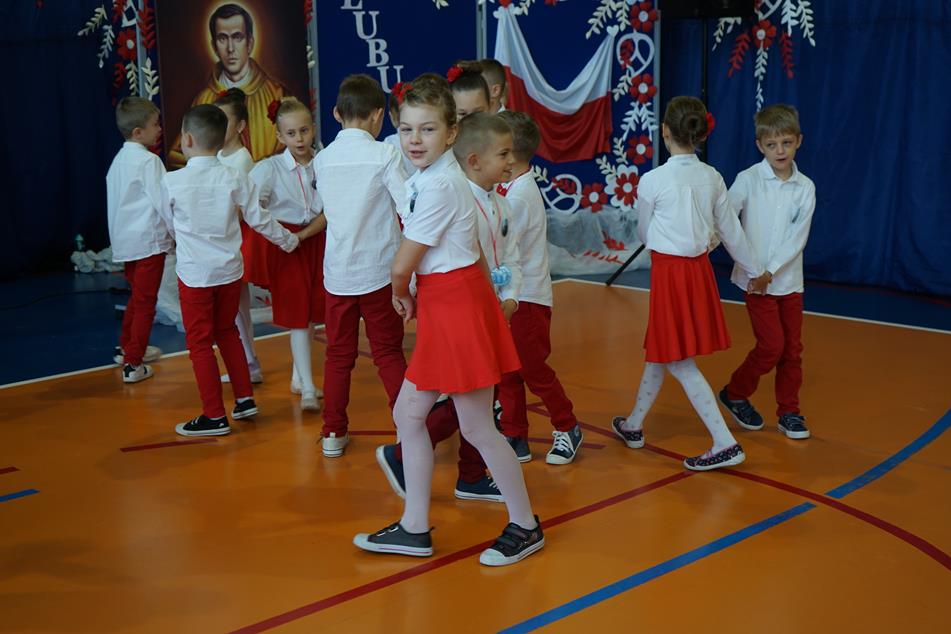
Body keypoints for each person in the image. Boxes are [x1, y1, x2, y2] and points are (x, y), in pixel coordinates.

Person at [353, 80, 544, 566]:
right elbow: (472, 248)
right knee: (409, 416)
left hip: (455, 308)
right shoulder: (434, 177)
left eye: (428, 129)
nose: (415, 139)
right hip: (451, 304)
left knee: (477, 428)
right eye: (406, 129)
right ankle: (414, 526)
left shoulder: (440, 184)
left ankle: (525, 525)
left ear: (451, 133)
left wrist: (401, 294)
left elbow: (402, 264)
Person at [611, 96, 765, 471]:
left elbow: (645, 233)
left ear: (665, 130)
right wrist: (754, 269)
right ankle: (633, 424)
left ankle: (725, 443)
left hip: (670, 274)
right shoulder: (712, 177)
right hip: (697, 273)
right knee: (662, 350)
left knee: (678, 360)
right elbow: (731, 231)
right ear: (701, 134)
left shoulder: (652, 180)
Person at [159, 104, 300, 437]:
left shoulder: (171, 181)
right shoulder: (234, 177)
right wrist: (289, 240)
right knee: (228, 332)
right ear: (222, 139)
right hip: (229, 272)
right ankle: (244, 398)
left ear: (187, 139)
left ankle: (214, 415)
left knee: (199, 344)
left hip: (195, 275)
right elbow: (259, 219)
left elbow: (168, 224)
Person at [313, 74, 408, 457]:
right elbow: (407, 207)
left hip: (338, 273)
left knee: (338, 356)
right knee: (388, 354)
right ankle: (408, 433)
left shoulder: (322, 159)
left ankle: (333, 432)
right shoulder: (385, 155)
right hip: (379, 271)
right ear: (378, 115)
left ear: (337, 114)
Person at [719, 104, 816, 440]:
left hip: (788, 282)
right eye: (772, 144)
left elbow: (797, 238)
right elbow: (726, 221)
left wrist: (770, 271)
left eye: (786, 143)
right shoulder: (747, 180)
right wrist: (752, 269)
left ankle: (789, 412)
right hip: (754, 282)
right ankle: (735, 392)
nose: (780, 151)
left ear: (798, 141)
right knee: (771, 346)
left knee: (792, 351)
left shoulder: (805, 187)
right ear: (760, 145)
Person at [496, 110, 583, 465]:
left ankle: (567, 425)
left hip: (527, 298)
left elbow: (499, 245)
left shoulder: (519, 196)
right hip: (510, 296)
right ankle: (515, 434)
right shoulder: (508, 188)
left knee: (532, 369)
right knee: (507, 370)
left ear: (510, 155)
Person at [249, 98, 327, 411]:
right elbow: (252, 208)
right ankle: (307, 387)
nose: (299, 139)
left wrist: (304, 235)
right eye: (291, 133)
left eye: (304, 130)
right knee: (298, 316)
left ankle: (298, 377)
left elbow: (330, 209)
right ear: (280, 136)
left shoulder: (324, 162)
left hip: (315, 240)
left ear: (313, 129)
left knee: (311, 312)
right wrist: (281, 235)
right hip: (287, 247)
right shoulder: (269, 169)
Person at [168, 3, 285, 167]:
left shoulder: (276, 93)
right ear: (214, 46)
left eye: (237, 37)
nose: (230, 48)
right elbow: (177, 153)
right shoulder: (204, 99)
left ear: (250, 43)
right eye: (222, 38)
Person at [106, 97, 172, 383]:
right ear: (138, 132)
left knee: (138, 296)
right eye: (155, 124)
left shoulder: (118, 161)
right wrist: (178, 234)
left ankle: (128, 348)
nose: (159, 129)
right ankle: (133, 363)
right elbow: (163, 202)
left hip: (126, 243)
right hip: (148, 243)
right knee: (146, 302)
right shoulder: (149, 161)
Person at [213, 88, 265, 384]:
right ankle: (247, 360)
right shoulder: (219, 155)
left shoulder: (242, 160)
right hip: (224, 238)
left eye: (225, 120)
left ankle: (249, 362)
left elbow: (239, 208)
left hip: (236, 238)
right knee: (233, 308)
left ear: (241, 125)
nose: (218, 126)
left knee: (236, 307)